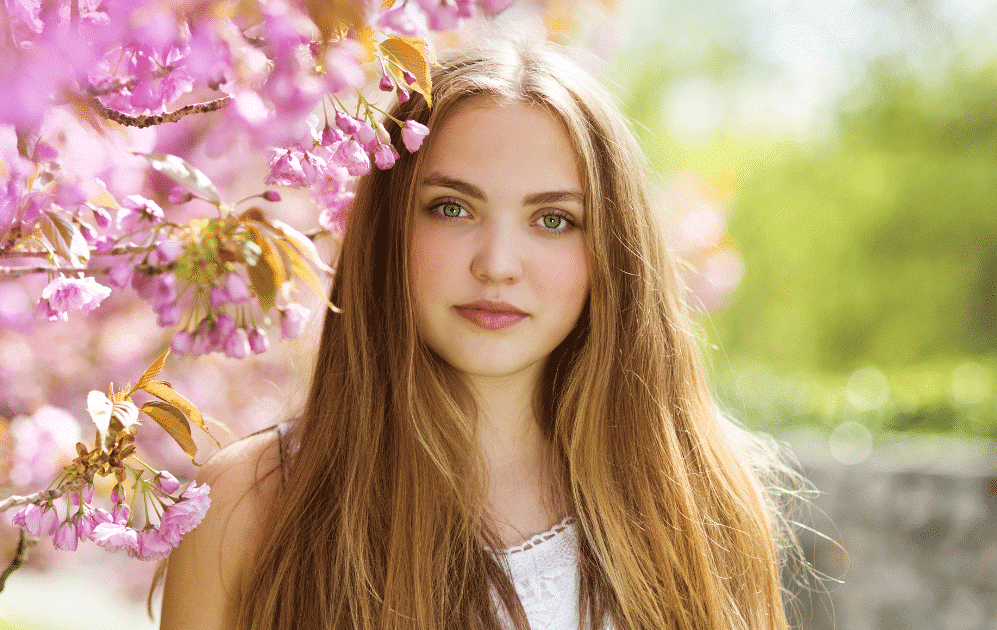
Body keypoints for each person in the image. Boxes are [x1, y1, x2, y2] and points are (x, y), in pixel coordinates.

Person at [160, 36, 808, 630]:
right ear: (391, 230)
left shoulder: (700, 500)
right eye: (452, 208)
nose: (497, 264)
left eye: (553, 219)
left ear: (611, 250)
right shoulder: (246, 507)